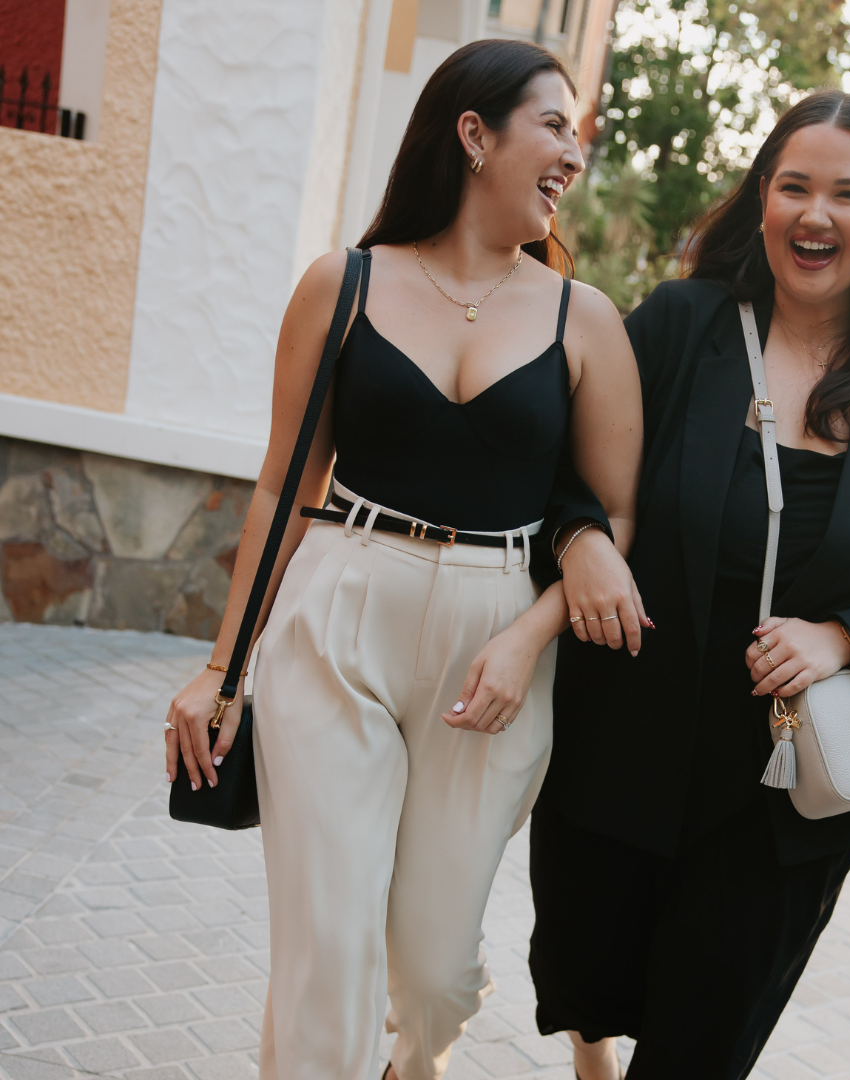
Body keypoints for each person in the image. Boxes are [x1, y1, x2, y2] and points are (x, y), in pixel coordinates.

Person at [165, 40, 645, 1080]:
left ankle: (411, 1058)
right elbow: (282, 487)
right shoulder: (342, 283)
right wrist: (221, 667)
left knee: (429, 973)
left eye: (579, 133)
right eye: (555, 125)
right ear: (474, 135)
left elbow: (613, 524)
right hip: (338, 610)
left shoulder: (587, 321)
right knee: (327, 950)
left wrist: (531, 633)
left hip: (497, 647)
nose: (576, 151)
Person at [528, 90, 850, 1080]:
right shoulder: (680, 326)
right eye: (793, 186)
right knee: (589, 968)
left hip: (789, 788)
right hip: (629, 733)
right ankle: (591, 1055)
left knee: (706, 1035)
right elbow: (569, 457)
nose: (815, 215)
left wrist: (844, 639)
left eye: (848, 193)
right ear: (761, 199)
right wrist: (579, 540)